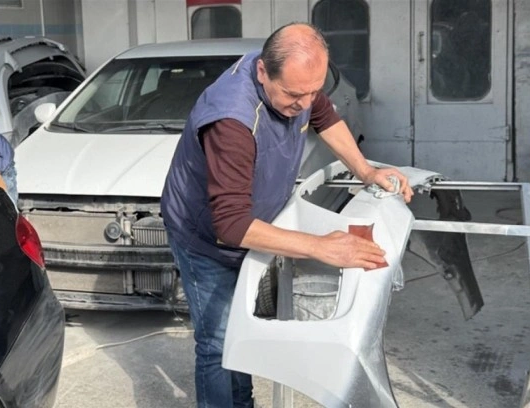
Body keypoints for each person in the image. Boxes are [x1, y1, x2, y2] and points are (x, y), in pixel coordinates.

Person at [161, 23, 414, 408]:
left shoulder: (297, 82)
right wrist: (320, 247)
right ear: (263, 71)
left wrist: (366, 171)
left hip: (250, 224)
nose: (305, 103)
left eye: (314, 91)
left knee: (240, 332)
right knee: (217, 341)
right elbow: (231, 225)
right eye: (295, 95)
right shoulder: (232, 121)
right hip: (206, 237)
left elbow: (324, 116)